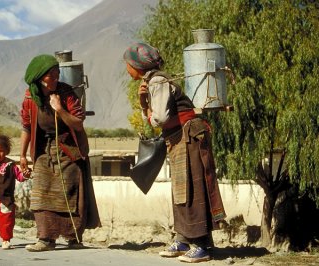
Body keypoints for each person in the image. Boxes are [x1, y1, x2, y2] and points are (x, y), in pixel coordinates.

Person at [123, 43, 226, 263]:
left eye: (127, 65)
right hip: (179, 137)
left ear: (136, 65)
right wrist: (144, 105)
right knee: (181, 188)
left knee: (192, 187)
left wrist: (147, 111)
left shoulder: (157, 81)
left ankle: (200, 246)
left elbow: (158, 119)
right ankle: (182, 240)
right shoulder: (151, 82)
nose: (127, 69)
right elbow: (156, 117)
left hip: (189, 135)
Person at [20, 54, 101, 252]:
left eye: (57, 75)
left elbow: (78, 123)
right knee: (41, 194)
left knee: (70, 193)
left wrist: (60, 109)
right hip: (42, 151)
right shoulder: (30, 97)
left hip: (68, 150)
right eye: (51, 76)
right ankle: (46, 239)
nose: (56, 79)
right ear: (39, 78)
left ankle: (73, 238)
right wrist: (22, 155)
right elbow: (26, 127)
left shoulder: (66, 93)